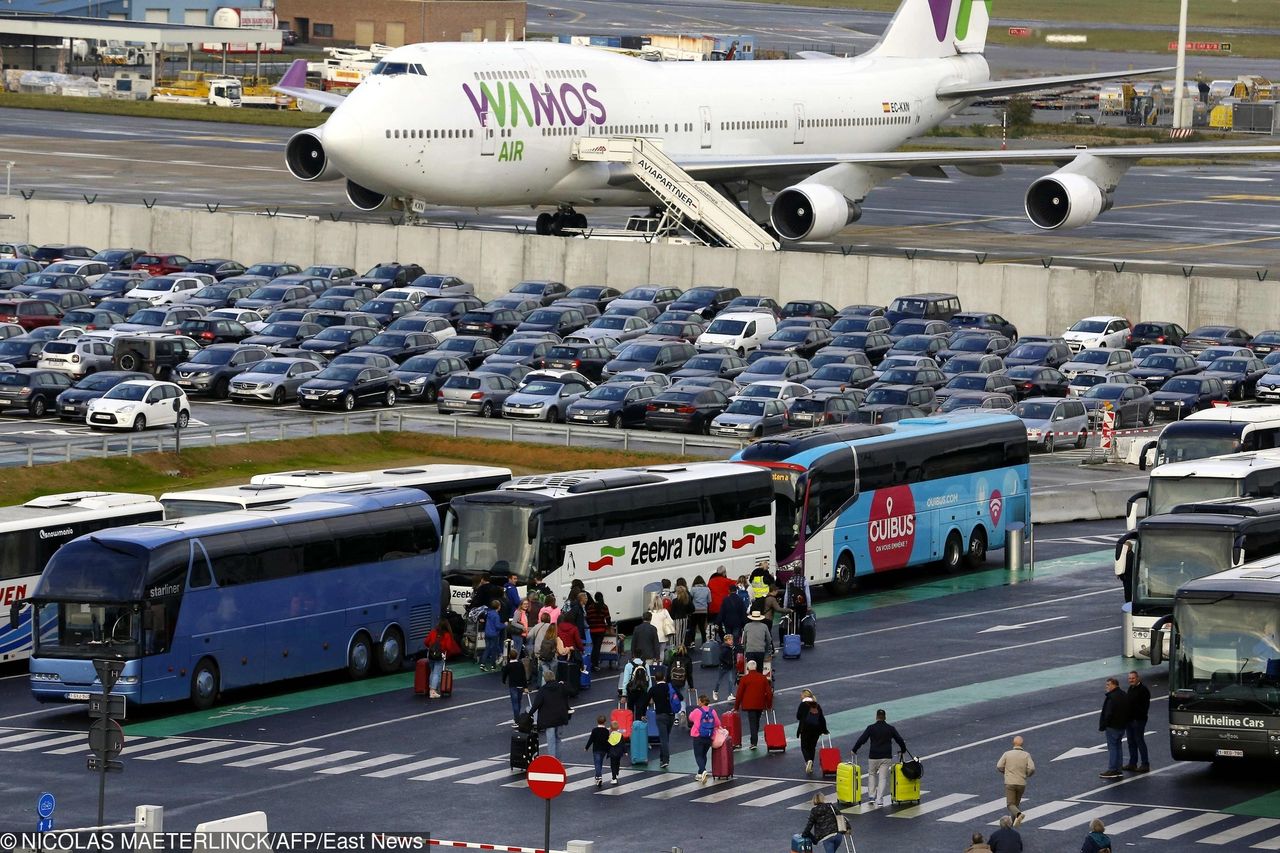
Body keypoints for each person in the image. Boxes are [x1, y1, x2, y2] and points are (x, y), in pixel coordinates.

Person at [851, 709, 908, 808]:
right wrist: (903, 749)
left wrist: (854, 749)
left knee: (872, 775)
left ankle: (871, 797)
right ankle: (880, 799)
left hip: (873, 756)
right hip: (886, 757)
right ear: (885, 717)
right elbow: (899, 740)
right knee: (882, 778)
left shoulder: (871, 728)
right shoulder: (890, 728)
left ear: (876, 717)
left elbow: (862, 739)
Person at [529, 666, 572, 759]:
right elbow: (571, 691)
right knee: (558, 740)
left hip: (548, 720)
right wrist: (564, 683)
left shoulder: (543, 690)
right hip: (561, 718)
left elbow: (536, 704)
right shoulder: (561, 687)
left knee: (551, 742)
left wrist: (529, 714)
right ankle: (559, 761)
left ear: (545, 679)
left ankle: (553, 762)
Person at [734, 659, 774, 750]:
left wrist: (736, 707)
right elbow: (769, 693)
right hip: (760, 704)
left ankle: (753, 742)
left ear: (748, 668)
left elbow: (739, 694)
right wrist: (769, 705)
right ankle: (754, 739)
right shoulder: (763, 678)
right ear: (756, 667)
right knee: (756, 722)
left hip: (749, 704)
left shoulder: (744, 679)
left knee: (752, 722)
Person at [996, 735, 1035, 825]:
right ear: (1022, 744)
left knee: (1010, 804)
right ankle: (1012, 824)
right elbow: (1032, 768)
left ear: (1013, 743)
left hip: (1010, 782)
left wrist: (1005, 772)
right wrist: (1026, 774)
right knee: (1015, 805)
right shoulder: (1026, 755)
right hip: (1021, 783)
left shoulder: (1007, 754)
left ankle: (1019, 814)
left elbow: (999, 766)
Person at [1098, 676, 1129, 779]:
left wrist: (1104, 724)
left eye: (1108, 685)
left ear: (1114, 685)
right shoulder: (1124, 694)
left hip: (1112, 726)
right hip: (1122, 726)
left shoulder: (1111, 697)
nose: (1106, 687)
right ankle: (1119, 769)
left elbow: (1108, 713)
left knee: (1113, 748)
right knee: (1118, 747)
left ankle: (1112, 769)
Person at [422, 618, 461, 699]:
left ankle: (431, 688)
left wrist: (431, 648)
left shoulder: (433, 632)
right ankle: (433, 691)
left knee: (432, 671)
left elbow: (426, 642)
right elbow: (449, 647)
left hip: (430, 654)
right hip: (440, 655)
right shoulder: (447, 635)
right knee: (436, 673)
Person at [796, 688, 829, 775]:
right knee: (812, 747)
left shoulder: (803, 704)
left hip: (806, 729)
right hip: (816, 730)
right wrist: (824, 730)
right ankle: (811, 765)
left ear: (804, 695)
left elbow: (798, 716)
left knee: (804, 746)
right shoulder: (817, 705)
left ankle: (808, 761)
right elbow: (822, 718)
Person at [648, 665, 675, 768]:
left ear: (655, 678)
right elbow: (680, 697)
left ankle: (665, 760)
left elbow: (646, 701)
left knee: (663, 739)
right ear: (664, 678)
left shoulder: (653, 689)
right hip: (671, 715)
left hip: (660, 715)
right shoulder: (670, 687)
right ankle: (661, 758)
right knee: (666, 737)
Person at [689, 694, 720, 783]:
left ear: (701, 702)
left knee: (698, 755)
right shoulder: (712, 711)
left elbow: (690, 718)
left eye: (698, 701)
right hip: (709, 736)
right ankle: (700, 774)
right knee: (703, 755)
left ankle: (703, 770)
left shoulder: (697, 711)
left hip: (698, 736)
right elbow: (718, 723)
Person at [1124, 670, 1151, 773]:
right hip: (1130, 720)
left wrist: (1136, 715)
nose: (1131, 680)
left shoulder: (1143, 690)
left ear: (1138, 678)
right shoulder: (1131, 688)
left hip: (1138, 720)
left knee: (1139, 741)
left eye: (1133, 678)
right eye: (1130, 678)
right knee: (1131, 742)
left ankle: (1145, 764)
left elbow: (1144, 707)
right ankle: (1132, 763)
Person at [500, 648, 529, 723]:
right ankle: (517, 716)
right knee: (519, 701)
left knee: (514, 703)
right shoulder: (520, 664)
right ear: (516, 656)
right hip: (520, 685)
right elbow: (523, 676)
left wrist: (503, 681)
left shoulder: (508, 665)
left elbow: (504, 674)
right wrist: (525, 687)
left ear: (509, 656)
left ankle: (517, 719)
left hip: (513, 686)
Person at [586, 592, 612, 672]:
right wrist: (610, 625)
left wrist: (591, 624)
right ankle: (594, 664)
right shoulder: (604, 607)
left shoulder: (590, 607)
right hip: (601, 629)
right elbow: (608, 618)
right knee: (597, 647)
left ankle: (594, 663)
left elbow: (588, 618)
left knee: (595, 646)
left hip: (593, 629)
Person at [668, 644, 695, 718]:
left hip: (673, 681)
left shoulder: (673, 658)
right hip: (683, 681)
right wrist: (691, 685)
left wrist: (668, 682)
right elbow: (689, 674)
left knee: (674, 698)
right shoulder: (688, 659)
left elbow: (668, 671)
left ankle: (676, 717)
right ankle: (683, 712)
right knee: (682, 698)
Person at [584, 714, 611, 788]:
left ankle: (599, 777)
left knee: (597, 764)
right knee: (600, 763)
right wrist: (608, 750)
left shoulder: (594, 730)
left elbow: (591, 739)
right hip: (604, 750)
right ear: (604, 722)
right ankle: (597, 776)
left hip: (596, 749)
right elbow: (608, 741)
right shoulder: (606, 731)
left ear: (597, 721)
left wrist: (586, 747)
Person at [668, 583, 694, 655]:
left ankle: (673, 651)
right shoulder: (687, 600)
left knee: (674, 636)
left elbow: (672, 613)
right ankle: (681, 650)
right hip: (684, 619)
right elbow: (692, 609)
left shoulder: (675, 601)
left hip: (676, 620)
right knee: (682, 636)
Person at [480, 599, 504, 672]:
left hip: (487, 633)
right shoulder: (496, 615)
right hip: (494, 634)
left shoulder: (488, 613)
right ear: (498, 607)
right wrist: (504, 625)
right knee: (494, 650)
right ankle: (493, 666)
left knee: (487, 648)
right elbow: (497, 626)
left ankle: (482, 664)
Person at [715, 633, 738, 701]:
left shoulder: (731, 648)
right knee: (719, 681)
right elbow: (721, 657)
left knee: (730, 680)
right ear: (726, 641)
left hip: (729, 667)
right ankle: (715, 691)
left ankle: (730, 694)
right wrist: (727, 662)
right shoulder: (725, 649)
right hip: (723, 667)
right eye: (730, 640)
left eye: (732, 640)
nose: (731, 641)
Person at [689, 575, 711, 645]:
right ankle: (704, 641)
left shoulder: (693, 589)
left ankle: (692, 642)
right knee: (702, 627)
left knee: (693, 626)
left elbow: (690, 599)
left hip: (694, 611)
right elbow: (709, 600)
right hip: (703, 610)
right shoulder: (707, 589)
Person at [605, 719, 626, 784]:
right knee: (617, 763)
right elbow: (623, 744)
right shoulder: (620, 735)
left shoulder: (610, 736)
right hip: (619, 752)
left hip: (612, 753)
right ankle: (617, 772)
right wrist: (625, 751)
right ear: (618, 728)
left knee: (613, 765)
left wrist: (606, 751)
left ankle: (614, 778)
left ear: (610, 728)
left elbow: (608, 745)